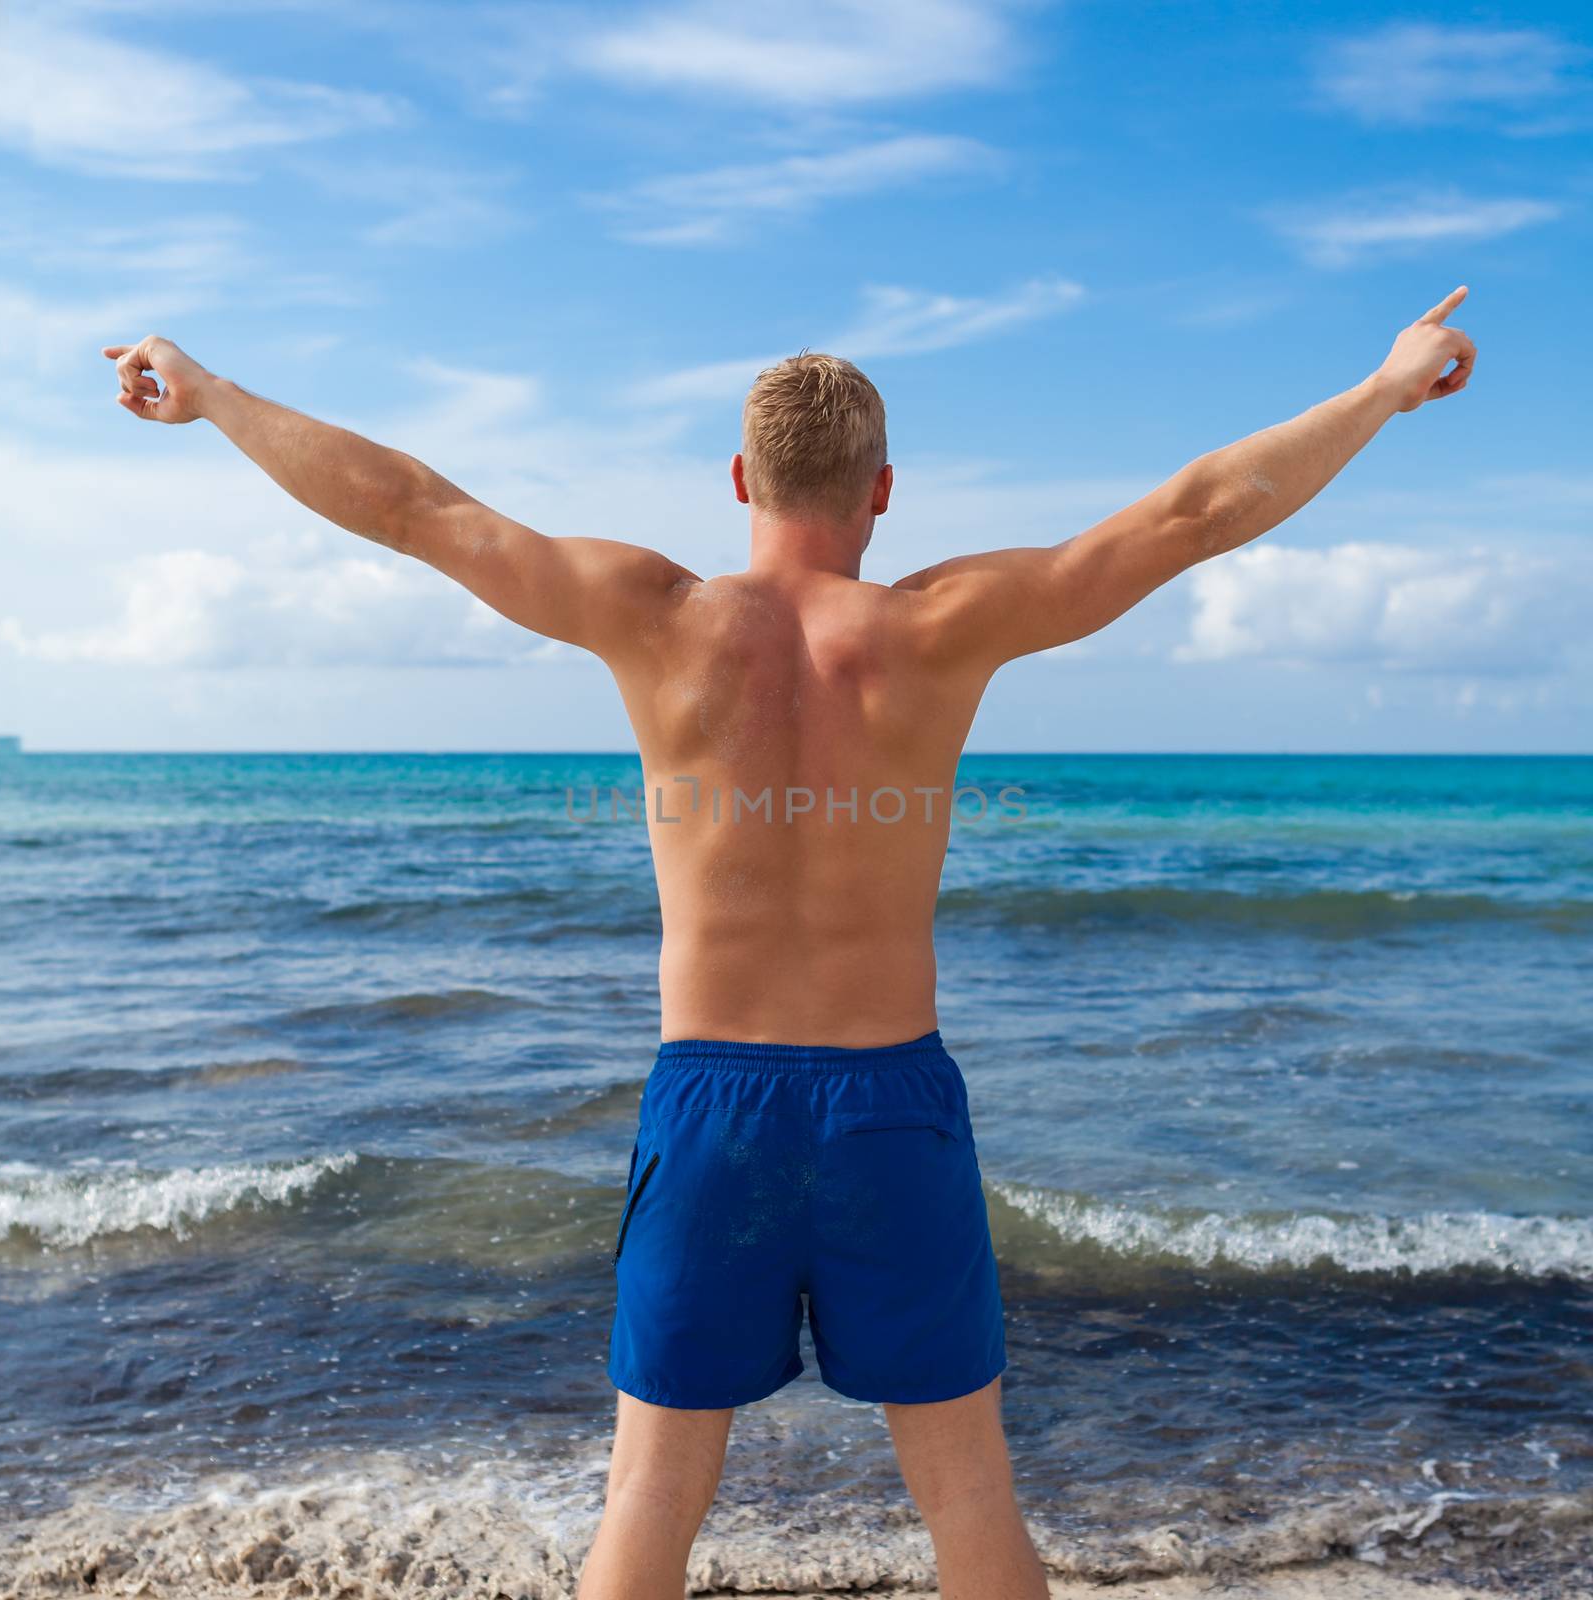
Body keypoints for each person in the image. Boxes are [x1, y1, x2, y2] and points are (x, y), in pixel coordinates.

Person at [102, 289, 1476, 1600]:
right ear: (883, 489)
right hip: (892, 1100)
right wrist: (1381, 388)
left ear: (740, 481)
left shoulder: (654, 617)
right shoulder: (944, 625)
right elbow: (1194, 515)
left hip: (712, 1108)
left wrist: (213, 395)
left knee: (650, 1492)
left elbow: (410, 507)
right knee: (969, 1493)